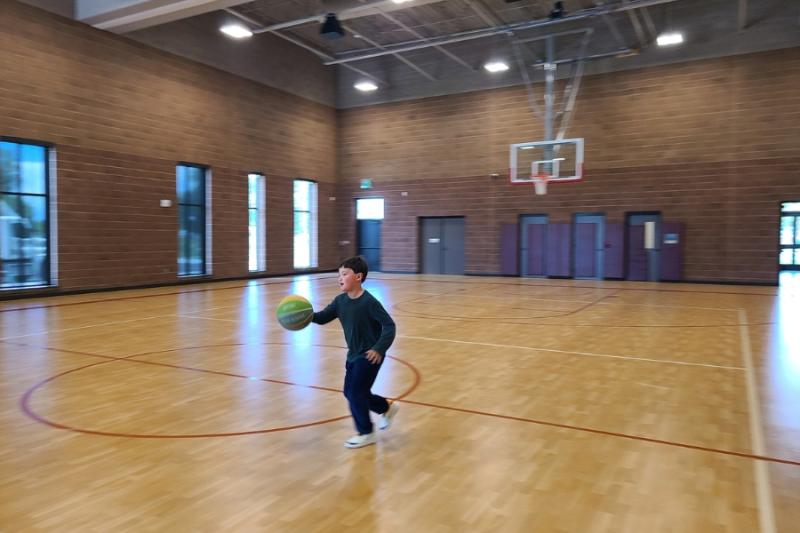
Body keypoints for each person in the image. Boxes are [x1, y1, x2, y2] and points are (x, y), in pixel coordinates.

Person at [312, 256, 399, 448]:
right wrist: (304, 315)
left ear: (358, 277)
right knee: (350, 392)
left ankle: (366, 432)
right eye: (339, 275)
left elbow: (389, 326)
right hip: (353, 354)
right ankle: (386, 408)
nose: (339, 278)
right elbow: (321, 318)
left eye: (344, 274)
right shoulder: (340, 301)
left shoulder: (369, 302)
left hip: (370, 355)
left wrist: (379, 348)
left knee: (355, 392)